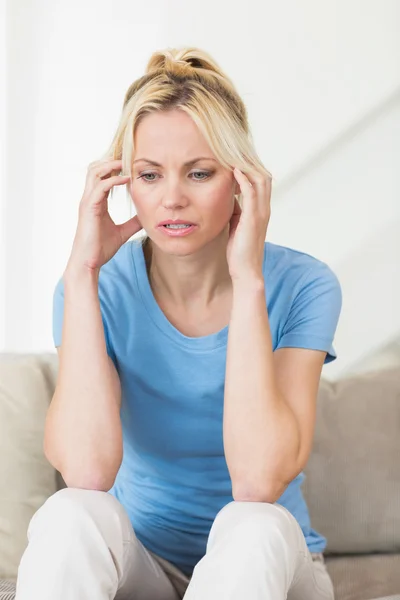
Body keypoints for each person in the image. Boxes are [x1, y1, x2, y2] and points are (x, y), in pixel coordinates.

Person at [15, 47, 342, 600]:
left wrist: (248, 279)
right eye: (149, 174)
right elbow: (87, 471)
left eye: (199, 173)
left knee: (252, 523)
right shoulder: (97, 289)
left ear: (241, 181)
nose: (172, 198)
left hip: (273, 567)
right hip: (149, 568)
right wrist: (81, 276)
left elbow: (258, 483)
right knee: (71, 512)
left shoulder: (304, 285)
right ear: (123, 183)